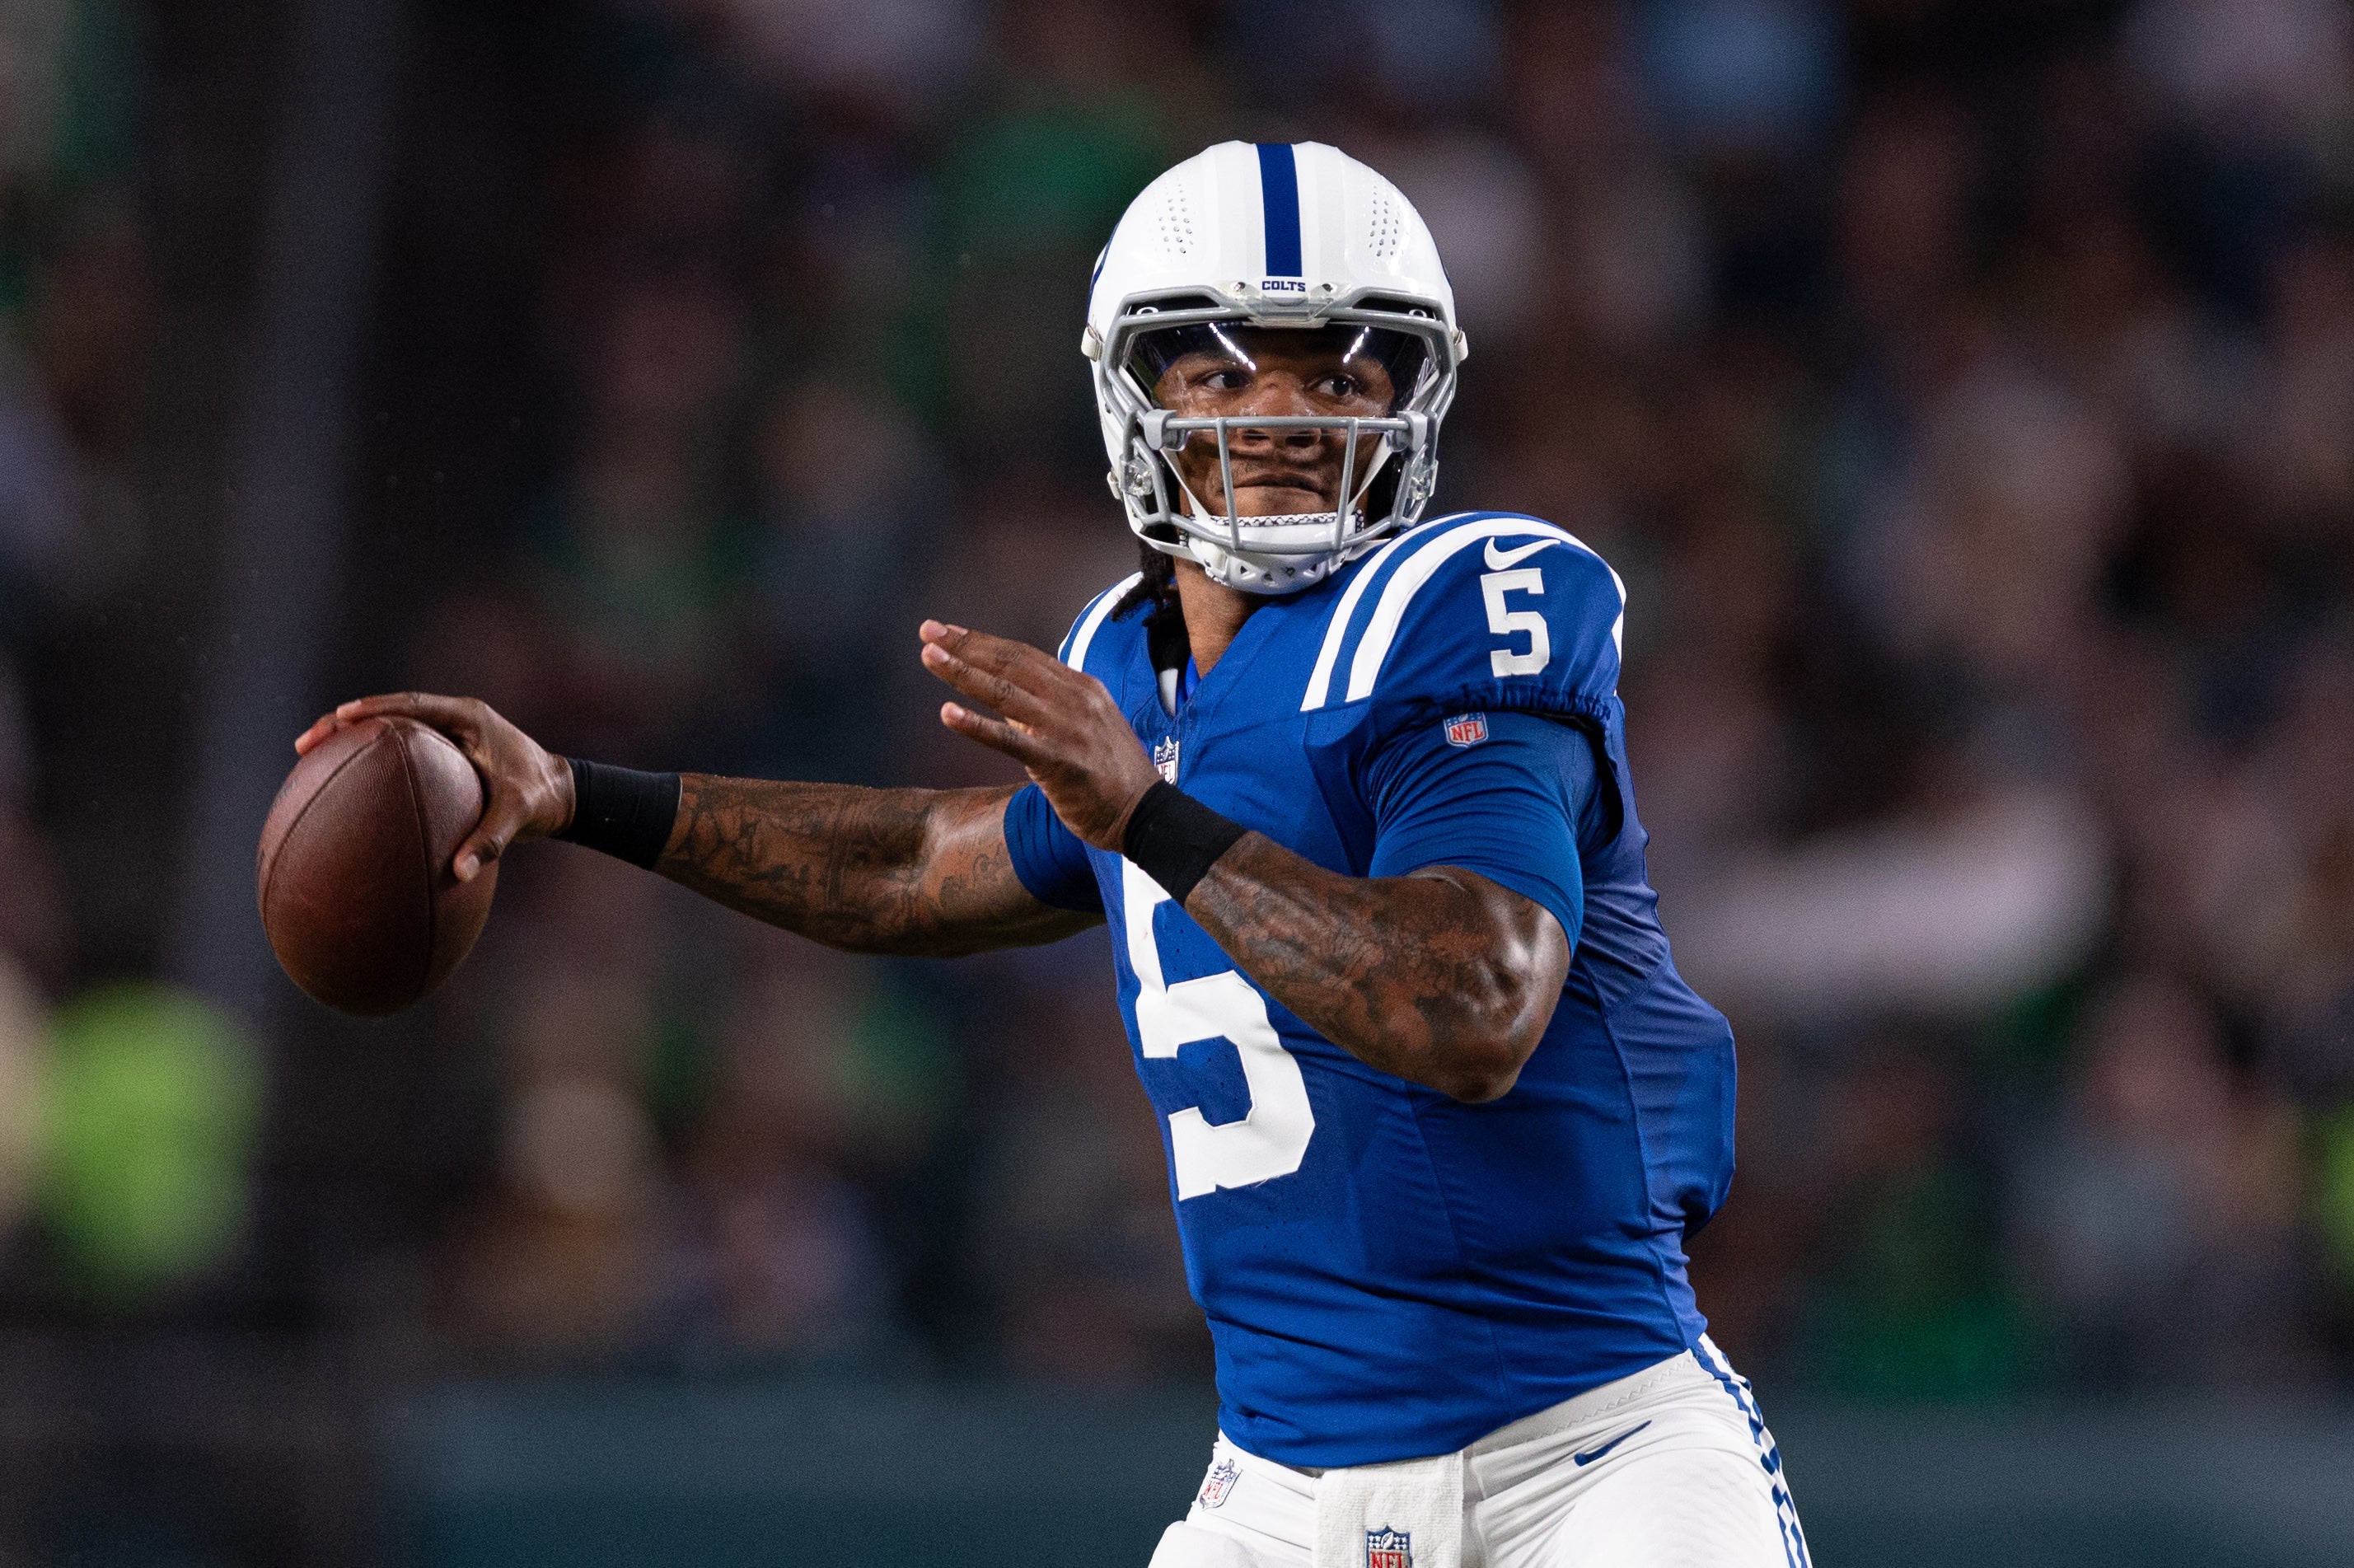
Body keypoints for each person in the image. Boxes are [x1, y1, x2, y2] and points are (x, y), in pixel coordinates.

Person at [300, 142, 1808, 1568]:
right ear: (1129, 395)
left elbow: (1472, 1009)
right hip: (1280, 1495)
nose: (1281, 415)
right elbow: (919, 866)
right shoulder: (1124, 668)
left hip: (1591, 1465)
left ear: (1414, 396)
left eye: (1339, 368)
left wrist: (1141, 814)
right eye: (1221, 366)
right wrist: (574, 792)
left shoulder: (1466, 602)